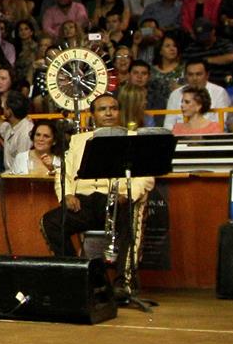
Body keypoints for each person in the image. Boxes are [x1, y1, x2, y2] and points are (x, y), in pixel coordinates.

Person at [43, 93, 157, 269]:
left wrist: (127, 196)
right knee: (50, 222)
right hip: (84, 203)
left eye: (113, 109)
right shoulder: (78, 140)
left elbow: (146, 175)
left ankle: (124, 280)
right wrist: (67, 195)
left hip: (118, 201)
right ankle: (77, 273)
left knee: (131, 219)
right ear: (93, 115)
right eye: (102, 109)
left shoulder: (133, 137)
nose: (108, 113)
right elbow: (63, 172)